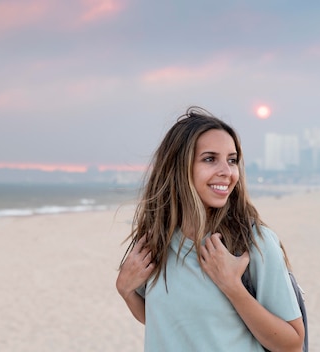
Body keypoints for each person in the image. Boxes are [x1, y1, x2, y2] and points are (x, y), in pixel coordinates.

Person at [116, 106, 305, 351]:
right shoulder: (155, 241)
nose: (227, 172)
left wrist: (233, 287)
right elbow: (164, 321)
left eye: (232, 160)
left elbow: (291, 343)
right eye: (210, 159)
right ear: (178, 167)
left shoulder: (254, 243)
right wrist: (126, 290)